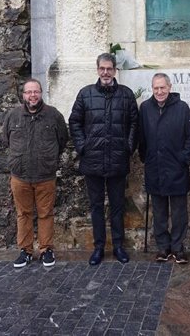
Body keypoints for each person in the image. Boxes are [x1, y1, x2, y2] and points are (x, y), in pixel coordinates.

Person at [68, 53, 139, 266]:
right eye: (102, 69)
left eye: (109, 69)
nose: (106, 73)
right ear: (97, 69)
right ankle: (99, 247)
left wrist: (128, 148)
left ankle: (118, 246)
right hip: (93, 160)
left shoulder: (126, 95)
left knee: (118, 206)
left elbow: (135, 124)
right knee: (96, 206)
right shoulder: (85, 94)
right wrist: (83, 147)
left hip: (118, 159)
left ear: (115, 70)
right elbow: (74, 122)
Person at [2, 78, 69, 268]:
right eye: (29, 92)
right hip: (20, 176)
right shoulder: (13, 116)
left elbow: (62, 139)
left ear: (41, 93)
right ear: (23, 95)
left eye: (36, 91)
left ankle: (46, 249)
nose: (33, 95)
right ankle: (26, 250)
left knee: (45, 213)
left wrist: (49, 159)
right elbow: (6, 140)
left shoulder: (53, 115)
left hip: (45, 176)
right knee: (23, 213)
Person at [138, 73, 190, 264]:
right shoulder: (146, 108)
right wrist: (146, 158)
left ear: (170, 87)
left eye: (162, 87)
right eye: (156, 88)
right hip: (154, 168)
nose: (159, 91)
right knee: (159, 212)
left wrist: (184, 159)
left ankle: (178, 248)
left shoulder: (182, 108)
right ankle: (163, 247)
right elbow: (142, 137)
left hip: (177, 169)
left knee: (179, 213)